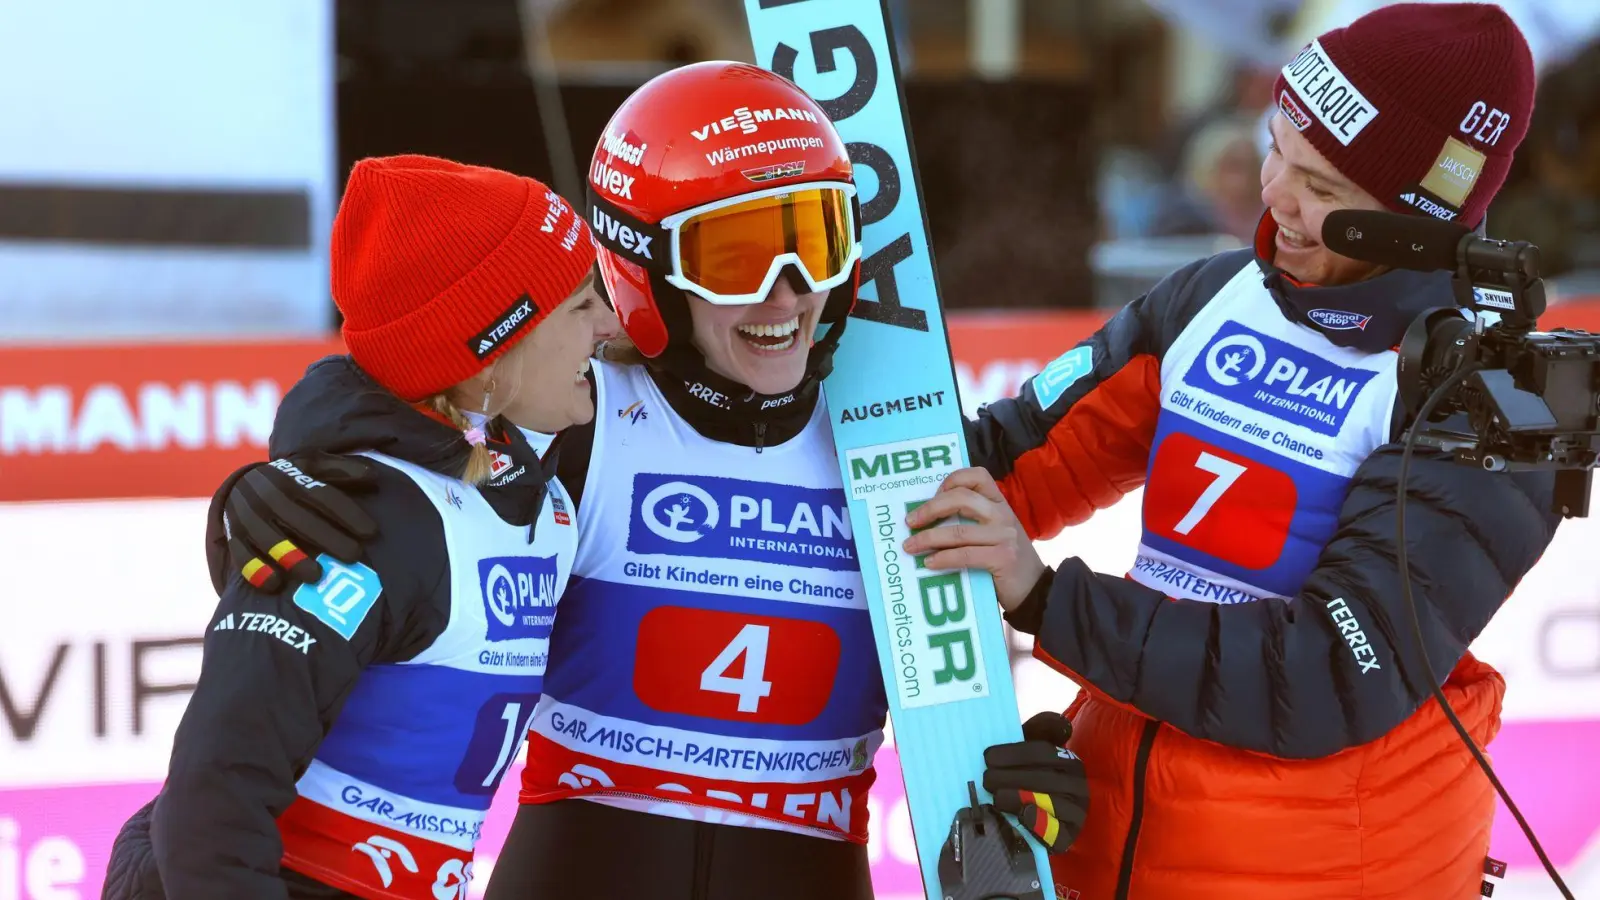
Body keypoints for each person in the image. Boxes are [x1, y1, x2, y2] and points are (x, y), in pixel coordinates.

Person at [192, 62, 1088, 900]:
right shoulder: (579, 418)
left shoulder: (897, 448)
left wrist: (1027, 760)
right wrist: (289, 476)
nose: (786, 294)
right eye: (735, 258)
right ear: (645, 266)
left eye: (812, 243)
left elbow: (976, 680)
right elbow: (417, 385)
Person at [899, 5, 1562, 899]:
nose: (1274, 195)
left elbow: (1328, 675)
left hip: (1328, 873)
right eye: (1274, 149)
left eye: (1322, 186)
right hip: (1131, 852)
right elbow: (1004, 464)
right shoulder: (1216, 296)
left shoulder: (1489, 392)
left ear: (1415, 221)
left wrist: (1049, 602)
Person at [100, 154, 610, 900]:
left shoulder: (526, 475)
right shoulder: (356, 522)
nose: (608, 325)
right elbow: (214, 800)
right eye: (580, 306)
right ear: (493, 354)